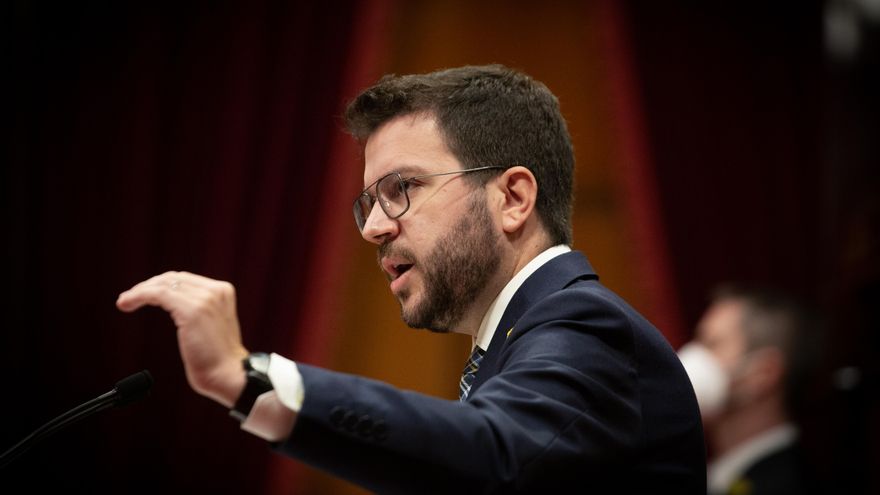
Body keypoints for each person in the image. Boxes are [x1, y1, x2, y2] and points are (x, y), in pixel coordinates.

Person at [116, 64, 706, 493]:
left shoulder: (583, 325)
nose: (372, 227)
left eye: (402, 189)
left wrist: (246, 378)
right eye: (368, 201)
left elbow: (493, 453)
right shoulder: (522, 340)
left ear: (514, 198)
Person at [677, 284, 824, 495]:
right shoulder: (711, 474)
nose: (693, 356)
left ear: (763, 374)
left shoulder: (786, 484)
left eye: (712, 344)